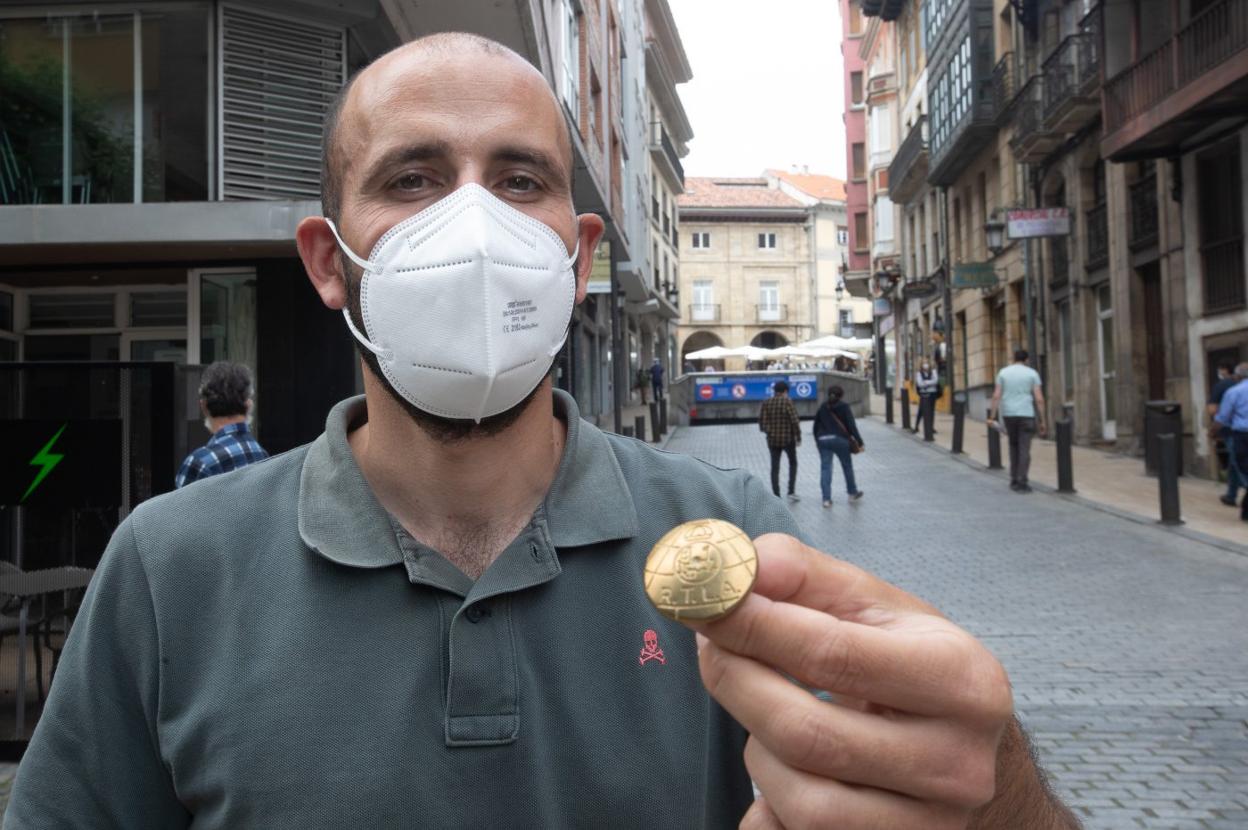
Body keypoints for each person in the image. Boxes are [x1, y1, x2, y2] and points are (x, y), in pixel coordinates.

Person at [7, 34, 1077, 829]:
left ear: (575, 257)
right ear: (330, 262)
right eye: (413, 178)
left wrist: (995, 793)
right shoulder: (169, 563)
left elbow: (904, 780)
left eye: (519, 180)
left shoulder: (730, 535)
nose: (470, 225)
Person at [174, 361, 268, 488]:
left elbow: (180, 507)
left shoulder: (200, 463)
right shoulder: (262, 455)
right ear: (248, 404)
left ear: (204, 406)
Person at [989, 349, 1048, 493]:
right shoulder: (1032, 373)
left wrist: (992, 416)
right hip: (1026, 414)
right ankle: (1022, 481)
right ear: (1026, 359)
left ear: (1013, 359)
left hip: (1009, 414)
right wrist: (1043, 420)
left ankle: (1013, 479)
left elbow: (996, 396)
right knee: (1024, 448)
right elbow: (1039, 399)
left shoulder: (1003, 372)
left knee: (1013, 446)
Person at [812, 385, 865, 508]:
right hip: (840, 440)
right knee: (847, 466)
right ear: (841, 395)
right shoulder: (844, 407)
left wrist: (817, 441)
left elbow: (815, 426)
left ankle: (826, 499)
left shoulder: (823, 407)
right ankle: (852, 493)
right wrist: (859, 441)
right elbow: (851, 426)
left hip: (823, 440)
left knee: (826, 468)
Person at [1211, 362, 1248, 522]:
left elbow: (1222, 417)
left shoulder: (1233, 392)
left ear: (1238, 376)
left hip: (1241, 435)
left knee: (1242, 469)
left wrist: (1213, 432)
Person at [758, 380, 801, 503]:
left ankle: (776, 494)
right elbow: (794, 421)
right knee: (793, 463)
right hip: (788, 439)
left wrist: (770, 432)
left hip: (772, 440)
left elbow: (762, 424)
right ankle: (791, 491)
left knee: (775, 467)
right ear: (785, 391)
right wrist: (798, 437)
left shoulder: (767, 403)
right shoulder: (788, 402)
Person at [912, 357, 941, 435]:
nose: (926, 365)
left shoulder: (933, 371)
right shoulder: (919, 373)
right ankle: (916, 426)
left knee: (931, 411)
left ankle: (931, 427)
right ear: (921, 365)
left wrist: (926, 382)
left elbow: (936, 381)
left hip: (932, 394)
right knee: (921, 411)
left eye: (927, 363)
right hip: (924, 395)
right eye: (924, 363)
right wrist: (930, 382)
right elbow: (920, 383)